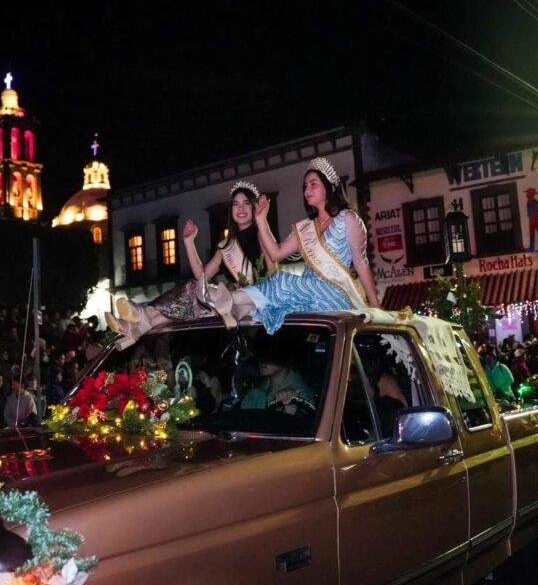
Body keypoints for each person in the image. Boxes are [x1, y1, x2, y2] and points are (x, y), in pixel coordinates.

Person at [204, 158, 381, 334]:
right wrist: (261, 220)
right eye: (305, 186)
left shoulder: (348, 218)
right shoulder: (306, 227)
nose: (307, 190)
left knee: (282, 280)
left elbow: (361, 262)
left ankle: (227, 298)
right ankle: (234, 308)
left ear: (330, 186)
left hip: (336, 293)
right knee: (272, 305)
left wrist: (376, 307)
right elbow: (276, 254)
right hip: (309, 294)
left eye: (313, 184)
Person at [107, 180, 275, 346]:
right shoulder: (226, 244)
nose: (241, 209)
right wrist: (189, 242)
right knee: (187, 300)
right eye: (236, 204)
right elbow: (202, 276)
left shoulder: (262, 235)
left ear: (254, 207)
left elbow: (274, 272)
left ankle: (143, 314)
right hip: (227, 305)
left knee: (192, 290)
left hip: (253, 302)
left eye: (246, 203)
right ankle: (138, 326)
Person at [241, 349, 315, 416]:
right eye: (261, 354)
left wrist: (293, 408)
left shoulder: (300, 393)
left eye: (270, 354)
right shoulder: (256, 392)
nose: (262, 359)